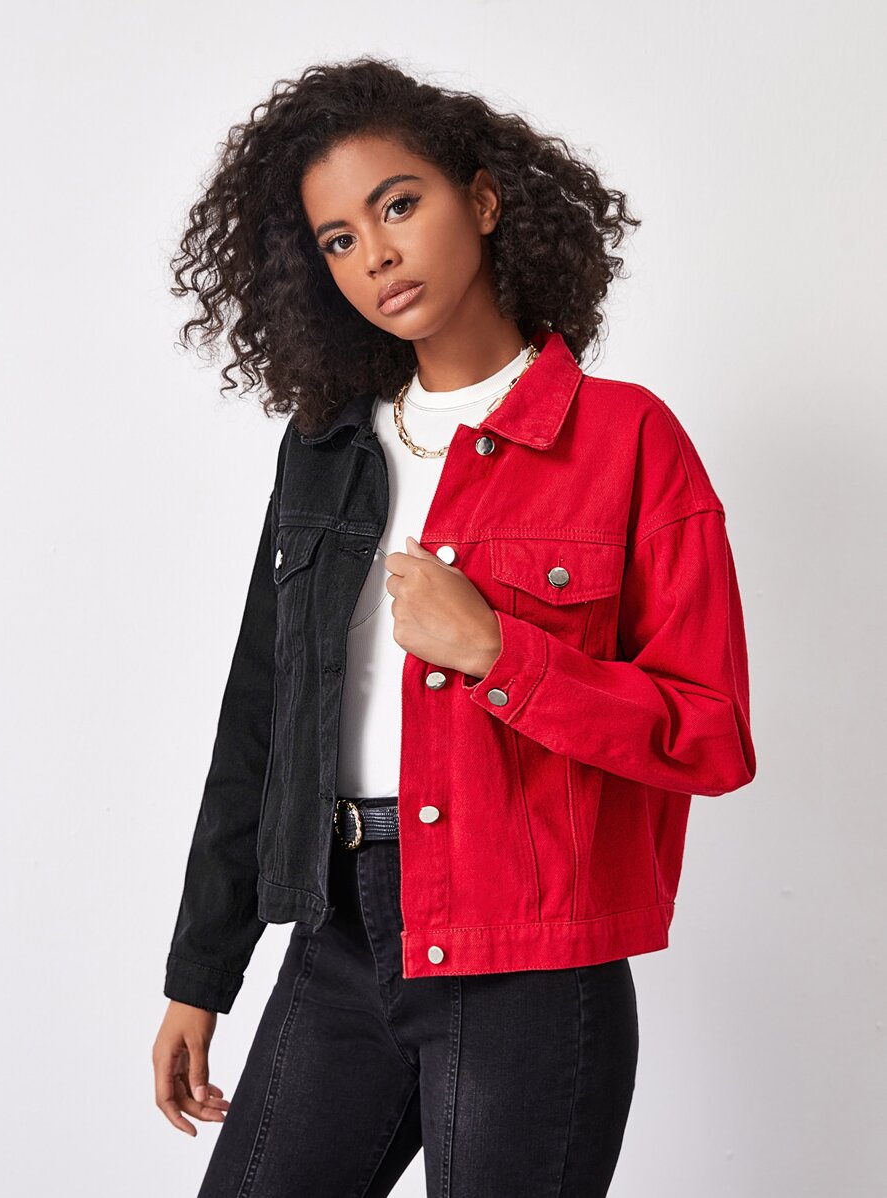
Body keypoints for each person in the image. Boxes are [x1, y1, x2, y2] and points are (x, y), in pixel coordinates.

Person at [151, 56, 756, 1197]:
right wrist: (203, 971)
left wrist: (498, 654)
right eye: (339, 239)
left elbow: (710, 734)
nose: (376, 256)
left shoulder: (627, 440)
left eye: (398, 205)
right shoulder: (325, 450)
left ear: (481, 200)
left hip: (531, 964)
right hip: (336, 936)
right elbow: (261, 714)